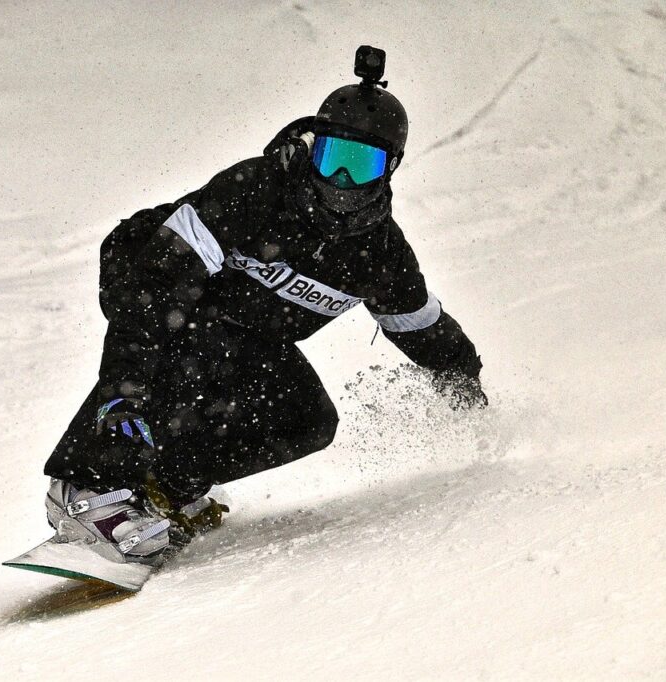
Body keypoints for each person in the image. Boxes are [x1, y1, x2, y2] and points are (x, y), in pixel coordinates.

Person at [41, 46, 485, 566]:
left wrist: (465, 383)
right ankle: (86, 489)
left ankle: (166, 489)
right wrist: (124, 396)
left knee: (307, 418)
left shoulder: (380, 257)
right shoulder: (254, 193)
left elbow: (422, 327)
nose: (340, 180)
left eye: (360, 165)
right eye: (332, 157)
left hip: (244, 323)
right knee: (191, 345)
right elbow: (157, 288)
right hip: (150, 270)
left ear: (390, 171)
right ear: (313, 148)